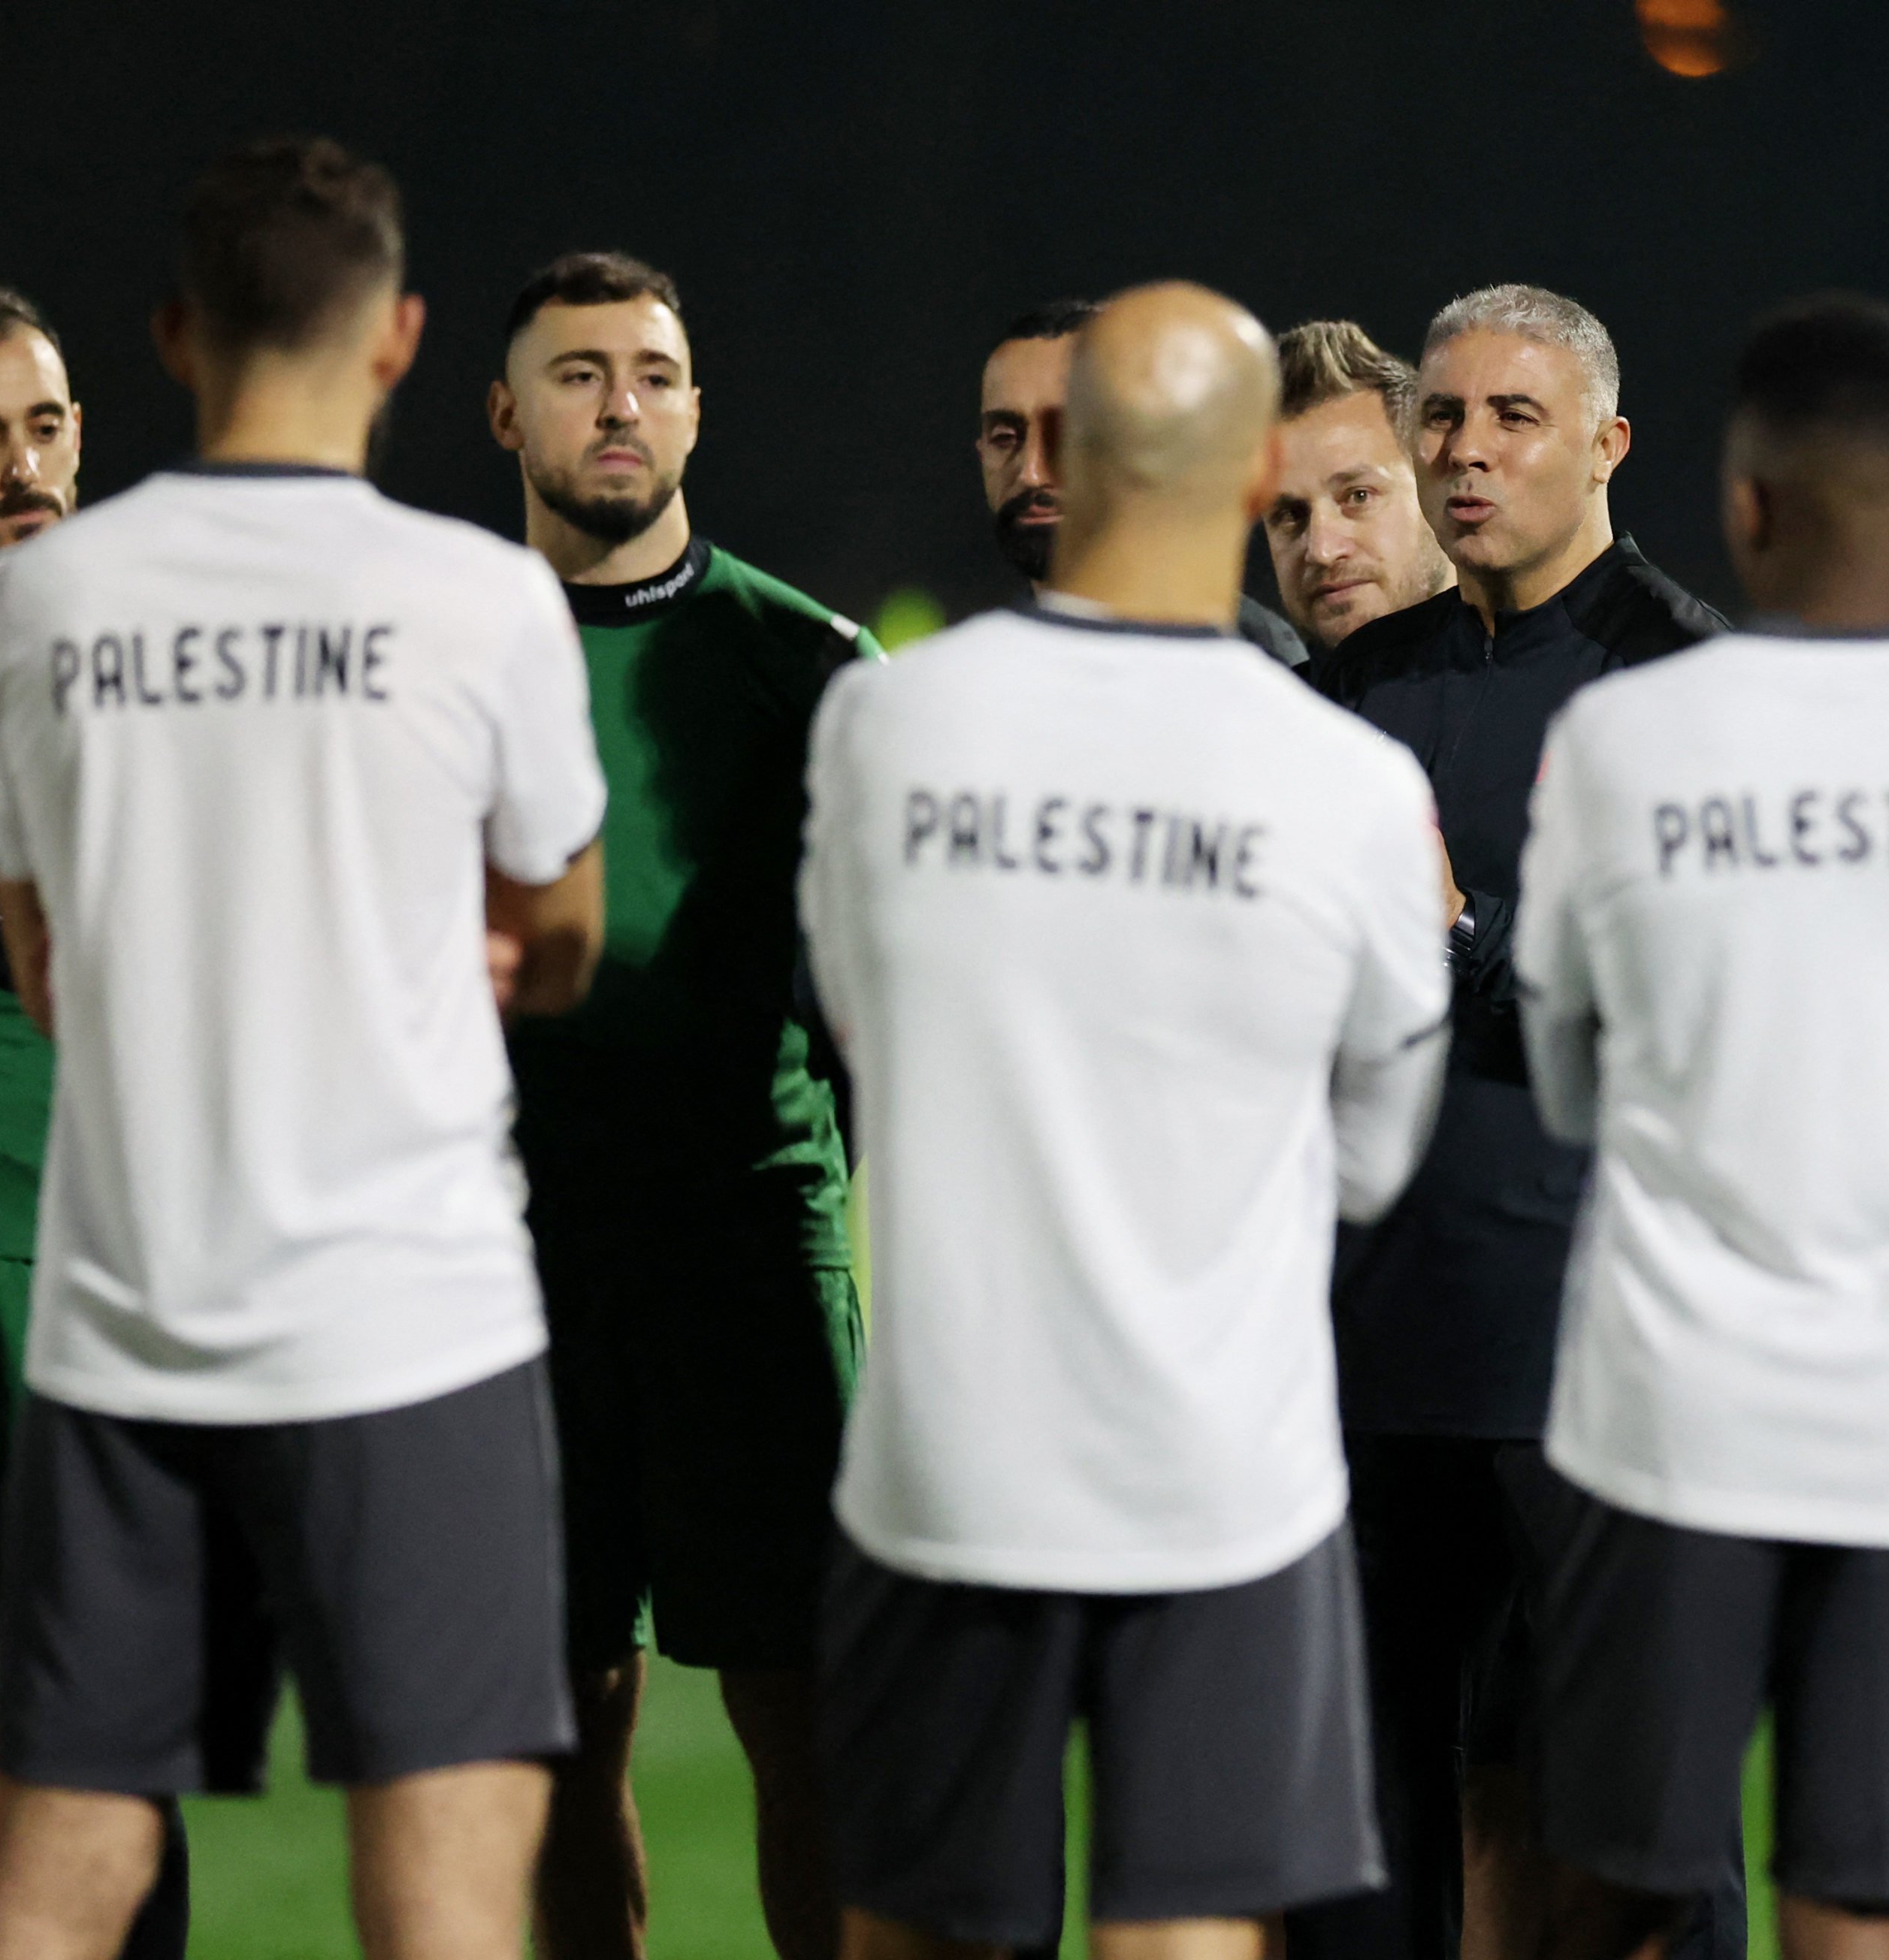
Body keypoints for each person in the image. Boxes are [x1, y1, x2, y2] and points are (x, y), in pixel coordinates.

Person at [0, 137, 607, 1960]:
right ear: (397, 341)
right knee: (446, 1894)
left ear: (173, 335)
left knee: (55, 1877)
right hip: (415, 1324)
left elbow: (41, 956)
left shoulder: (41, 602)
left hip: (128, 1323)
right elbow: (560, 930)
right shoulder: (485, 599)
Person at [802, 279, 1449, 1960]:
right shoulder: (1350, 785)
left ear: (1067, 455)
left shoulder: (885, 720)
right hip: (1221, 1477)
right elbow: (1372, 1155)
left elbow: (861, 1022)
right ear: (1253, 481)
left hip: (945, 1470)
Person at [1512, 293, 1889, 1960]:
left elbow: (1566, 1061)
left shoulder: (1617, 740)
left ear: (1742, 503)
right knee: (1863, 1913)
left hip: (1662, 1421)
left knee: (1626, 1898)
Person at [1317, 282, 1730, 1960]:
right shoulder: (1349, 695)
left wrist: (1457, 934)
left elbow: (1687, 1024)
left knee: (1640, 1850)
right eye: (1441, 419)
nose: (1464, 452)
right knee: (1356, 1859)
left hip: (1605, 1367)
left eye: (1513, 419)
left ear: (1609, 444)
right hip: (1366, 1361)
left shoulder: (1695, 691)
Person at [485, 249, 878, 1960]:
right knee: (558, 1732)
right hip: (508, 1273)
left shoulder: (814, 666)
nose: (621, 403)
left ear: (699, 406)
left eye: (653, 371)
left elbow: (889, 1005)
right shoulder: (433, 661)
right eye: (579, 373)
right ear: (504, 410)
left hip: (752, 1254)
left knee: (815, 1717)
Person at [0, 283, 213, 1960]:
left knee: (109, 1733)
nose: (25, 464)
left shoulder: (173, 675)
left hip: (101, 1261)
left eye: (51, 422)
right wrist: (14, 891)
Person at [979, 296, 1309, 668]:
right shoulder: (963, 675)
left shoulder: (1262, 660)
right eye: (1005, 438)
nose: (1030, 473)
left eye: (1069, 434)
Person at [1265, 320, 1451, 652]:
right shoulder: (1249, 702)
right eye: (1290, 515)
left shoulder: (1560, 695)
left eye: (1358, 496)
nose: (1322, 551)